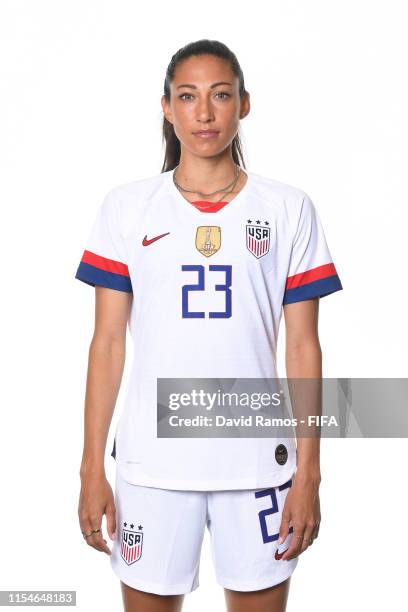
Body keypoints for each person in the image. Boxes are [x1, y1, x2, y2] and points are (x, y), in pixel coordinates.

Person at [75, 39, 343, 612]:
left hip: (258, 462)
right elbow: (106, 345)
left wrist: (310, 471)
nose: (204, 113)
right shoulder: (126, 208)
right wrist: (90, 466)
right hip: (151, 463)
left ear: (244, 104)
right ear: (167, 108)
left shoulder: (287, 208)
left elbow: (302, 346)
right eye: (188, 97)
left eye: (220, 95)